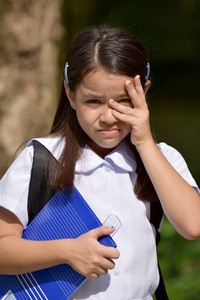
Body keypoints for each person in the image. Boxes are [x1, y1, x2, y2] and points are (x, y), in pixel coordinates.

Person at [0, 25, 200, 300]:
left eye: (123, 101)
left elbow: (193, 225)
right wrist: (65, 252)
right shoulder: (42, 159)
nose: (109, 116)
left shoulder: (161, 159)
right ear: (70, 95)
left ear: (143, 92)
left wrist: (144, 143)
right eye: (93, 101)